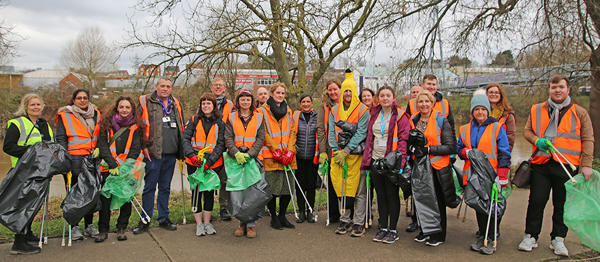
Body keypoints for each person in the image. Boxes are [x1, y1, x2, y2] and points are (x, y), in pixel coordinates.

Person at [518, 75, 594, 257]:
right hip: (541, 163)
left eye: (560, 87)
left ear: (568, 90)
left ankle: (558, 239)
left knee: (562, 204)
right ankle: (530, 236)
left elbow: (587, 138)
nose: (557, 90)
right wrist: (538, 141)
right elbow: (527, 131)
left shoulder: (580, 112)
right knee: (536, 201)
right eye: (553, 87)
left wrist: (587, 164)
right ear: (549, 90)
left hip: (567, 166)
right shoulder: (537, 109)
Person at [457, 90, 511, 255]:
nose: (480, 112)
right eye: (477, 109)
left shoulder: (497, 127)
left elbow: (504, 153)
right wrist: (466, 152)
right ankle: (482, 233)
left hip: (492, 175)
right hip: (473, 175)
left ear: (487, 111)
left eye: (483, 109)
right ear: (472, 112)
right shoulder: (465, 129)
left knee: (491, 206)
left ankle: (492, 236)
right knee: (478, 206)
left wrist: (502, 176)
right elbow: (459, 149)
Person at [3, 93, 53, 254]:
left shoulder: (43, 124)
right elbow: (8, 147)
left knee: (33, 205)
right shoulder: (17, 124)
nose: (36, 107)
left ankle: (28, 233)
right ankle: (19, 242)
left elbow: (49, 145)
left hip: (40, 171)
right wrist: (32, 152)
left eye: (38, 104)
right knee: (22, 206)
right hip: (22, 172)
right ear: (25, 106)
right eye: (32, 105)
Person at [405, 75, 455, 234]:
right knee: (422, 200)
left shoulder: (441, 120)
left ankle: (439, 234)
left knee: (437, 200)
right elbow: (409, 142)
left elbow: (450, 146)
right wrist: (412, 150)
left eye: (427, 101)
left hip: (437, 166)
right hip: (419, 166)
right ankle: (424, 230)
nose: (424, 104)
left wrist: (428, 150)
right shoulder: (414, 120)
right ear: (416, 104)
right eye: (421, 101)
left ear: (432, 103)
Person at [134, 77, 184, 234]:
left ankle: (163, 218)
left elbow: (181, 125)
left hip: (171, 153)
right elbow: (138, 127)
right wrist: (143, 147)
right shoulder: (145, 102)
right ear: (156, 86)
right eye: (162, 86)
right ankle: (145, 219)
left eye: (168, 86)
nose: (165, 89)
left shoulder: (175, 103)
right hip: (153, 154)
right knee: (149, 188)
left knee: (165, 188)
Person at [361, 87, 410, 243]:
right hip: (376, 160)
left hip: (391, 162)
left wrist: (400, 162)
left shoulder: (401, 116)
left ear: (394, 97)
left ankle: (393, 229)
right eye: (382, 95)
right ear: (378, 98)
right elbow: (370, 138)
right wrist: (368, 160)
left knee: (392, 195)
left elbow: (403, 140)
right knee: (380, 195)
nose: (385, 98)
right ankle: (383, 227)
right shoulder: (374, 113)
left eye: (388, 95)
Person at [95, 96, 143, 242]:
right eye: (122, 107)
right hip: (109, 168)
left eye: (127, 107)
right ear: (117, 108)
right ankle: (103, 230)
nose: (124, 110)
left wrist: (125, 167)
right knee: (105, 200)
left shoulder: (136, 126)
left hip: (128, 169)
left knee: (126, 198)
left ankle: (121, 228)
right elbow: (102, 146)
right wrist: (113, 164)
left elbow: (135, 148)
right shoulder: (106, 124)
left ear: (132, 109)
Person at [56, 89, 101, 241]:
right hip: (73, 159)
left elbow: (99, 134)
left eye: (85, 98)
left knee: (91, 193)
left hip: (92, 159)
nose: (82, 100)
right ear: (73, 100)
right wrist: (65, 158)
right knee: (75, 194)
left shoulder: (95, 113)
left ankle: (89, 225)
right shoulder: (65, 115)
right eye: (79, 98)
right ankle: (74, 226)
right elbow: (61, 138)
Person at [328, 69, 369, 235]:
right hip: (338, 156)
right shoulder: (334, 109)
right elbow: (331, 130)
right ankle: (344, 219)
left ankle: (359, 222)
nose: (347, 94)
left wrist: (346, 150)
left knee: (358, 190)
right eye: (344, 90)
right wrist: (335, 150)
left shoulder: (362, 110)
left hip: (356, 156)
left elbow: (361, 132)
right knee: (341, 188)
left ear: (354, 92)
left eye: (349, 90)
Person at [182, 93, 226, 236]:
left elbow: (221, 145)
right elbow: (185, 139)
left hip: (211, 164)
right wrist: (192, 156)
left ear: (214, 106)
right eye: (203, 103)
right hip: (194, 162)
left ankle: (207, 222)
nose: (206, 106)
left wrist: (210, 162)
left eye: (209, 103)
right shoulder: (194, 120)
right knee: (196, 193)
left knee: (208, 193)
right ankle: (199, 224)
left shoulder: (220, 123)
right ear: (200, 106)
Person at [225, 89, 266, 238]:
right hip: (235, 161)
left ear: (252, 101)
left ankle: (251, 225)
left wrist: (250, 154)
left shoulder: (259, 117)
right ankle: (241, 224)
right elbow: (228, 137)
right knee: (238, 193)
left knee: (252, 193)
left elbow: (261, 138)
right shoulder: (231, 117)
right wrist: (236, 153)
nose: (245, 102)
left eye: (248, 99)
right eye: (242, 99)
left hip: (253, 160)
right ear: (238, 102)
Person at [259, 82, 298, 230]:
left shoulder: (288, 111)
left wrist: (289, 151)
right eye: (278, 93)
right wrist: (275, 149)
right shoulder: (262, 111)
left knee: (287, 189)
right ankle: (273, 217)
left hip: (287, 157)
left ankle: (282, 216)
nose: (280, 95)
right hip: (271, 157)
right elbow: (264, 132)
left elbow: (292, 132)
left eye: (282, 93)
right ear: (272, 94)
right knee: (273, 189)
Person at [209, 77, 234, 221]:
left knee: (225, 180)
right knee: (209, 181)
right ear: (212, 87)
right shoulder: (204, 103)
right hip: (209, 148)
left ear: (224, 88)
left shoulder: (230, 105)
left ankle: (224, 208)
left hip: (225, 147)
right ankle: (208, 209)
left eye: (220, 85)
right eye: (215, 85)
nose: (218, 87)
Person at [317, 79, 342, 223]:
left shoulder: (348, 104)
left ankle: (347, 212)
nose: (332, 92)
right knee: (332, 182)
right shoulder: (324, 107)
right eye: (330, 90)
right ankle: (334, 214)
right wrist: (322, 151)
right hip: (329, 148)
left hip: (346, 149)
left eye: (335, 89)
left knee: (346, 181)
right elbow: (320, 130)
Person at [292, 94, 318, 223]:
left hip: (313, 157)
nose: (306, 104)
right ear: (300, 104)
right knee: (300, 186)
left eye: (308, 101)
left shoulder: (317, 117)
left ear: (312, 103)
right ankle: (301, 211)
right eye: (303, 102)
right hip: (299, 157)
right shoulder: (296, 116)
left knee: (311, 185)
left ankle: (310, 211)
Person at [486, 83, 516, 151]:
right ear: (486, 95)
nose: (493, 94)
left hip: (500, 155)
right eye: (491, 92)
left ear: (501, 95)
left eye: (496, 92)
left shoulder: (508, 115)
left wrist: (504, 155)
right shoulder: (480, 113)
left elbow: (510, 137)